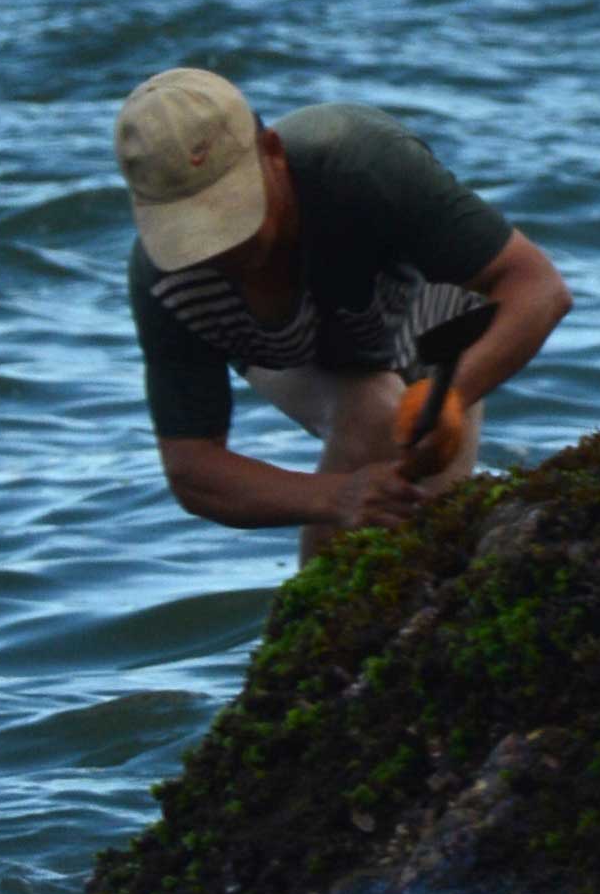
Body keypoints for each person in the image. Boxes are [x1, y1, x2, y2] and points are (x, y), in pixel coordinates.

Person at [116, 67, 570, 545]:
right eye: (191, 234)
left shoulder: (360, 166)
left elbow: (538, 287)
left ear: (273, 154)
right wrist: (337, 497)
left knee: (430, 524)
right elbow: (192, 468)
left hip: (421, 323)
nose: (220, 249)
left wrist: (452, 395)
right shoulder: (166, 279)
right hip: (291, 350)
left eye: (231, 213)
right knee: (369, 410)